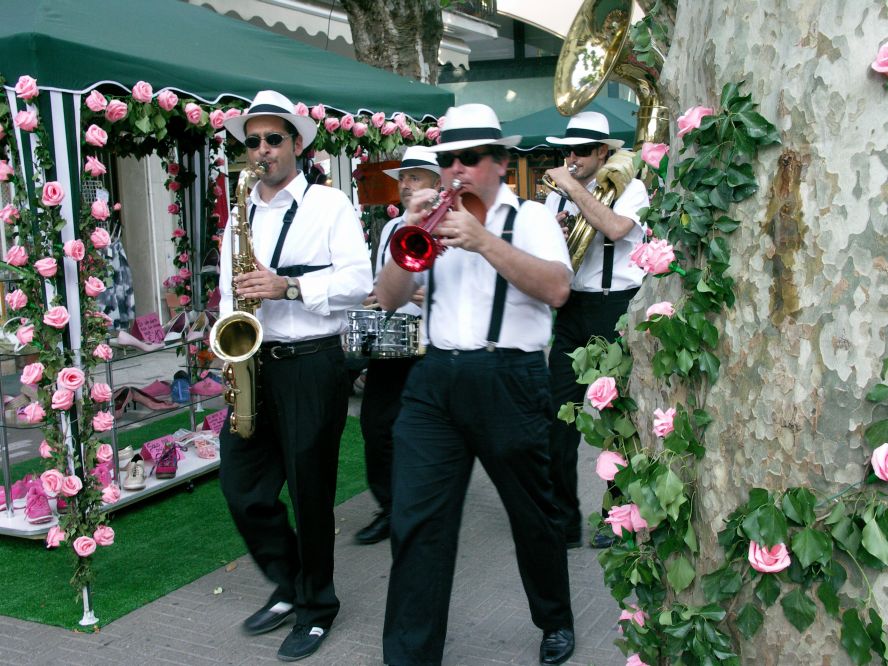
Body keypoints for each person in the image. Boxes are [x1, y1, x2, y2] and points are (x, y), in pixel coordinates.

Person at [376, 103, 576, 666]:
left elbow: (558, 290)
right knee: (416, 521)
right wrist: (411, 232)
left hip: (508, 377)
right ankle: (410, 656)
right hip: (435, 378)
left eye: (469, 158)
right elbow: (387, 299)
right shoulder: (427, 220)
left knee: (533, 514)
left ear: (500, 163)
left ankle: (554, 618)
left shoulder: (530, 217)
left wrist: (483, 240)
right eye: (447, 159)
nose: (456, 170)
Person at [217, 90, 372, 661]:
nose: (261, 150)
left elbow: (360, 280)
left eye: (273, 139)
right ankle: (288, 584)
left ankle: (316, 605)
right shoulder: (241, 211)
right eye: (252, 141)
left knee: (310, 494)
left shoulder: (331, 206)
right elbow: (226, 288)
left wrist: (290, 285)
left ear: (298, 145)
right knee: (241, 487)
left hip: (312, 363)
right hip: (254, 364)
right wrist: (223, 340)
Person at [543, 111, 649, 549]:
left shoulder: (632, 187)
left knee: (617, 421)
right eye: (567, 150)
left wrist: (572, 190)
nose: (572, 158)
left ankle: (617, 518)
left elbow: (616, 228)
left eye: (582, 151)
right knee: (556, 419)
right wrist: (555, 229)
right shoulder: (557, 197)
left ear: (603, 152)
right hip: (572, 310)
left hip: (615, 308)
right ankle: (564, 521)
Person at [354, 146, 440, 545]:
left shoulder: (452, 219)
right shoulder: (391, 228)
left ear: (437, 183)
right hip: (394, 336)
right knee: (376, 426)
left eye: (415, 177)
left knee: (428, 432)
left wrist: (433, 294)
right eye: (403, 178)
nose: (406, 185)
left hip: (436, 341)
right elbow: (378, 286)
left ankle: (422, 505)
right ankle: (389, 507)